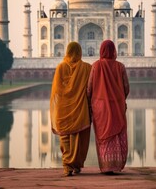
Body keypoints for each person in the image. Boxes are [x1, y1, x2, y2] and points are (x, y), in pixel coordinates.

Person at [87, 40, 130, 174]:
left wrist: (91, 102)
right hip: (117, 105)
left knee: (103, 137)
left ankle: (106, 166)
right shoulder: (120, 67)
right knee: (117, 134)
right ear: (114, 51)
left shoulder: (95, 66)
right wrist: (120, 99)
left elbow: (89, 88)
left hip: (100, 108)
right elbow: (126, 88)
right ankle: (116, 165)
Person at [50, 42, 92, 176]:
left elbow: (57, 90)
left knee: (65, 137)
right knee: (79, 137)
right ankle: (77, 164)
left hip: (63, 108)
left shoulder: (61, 67)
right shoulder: (86, 68)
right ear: (80, 52)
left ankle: (67, 166)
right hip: (80, 108)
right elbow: (91, 89)